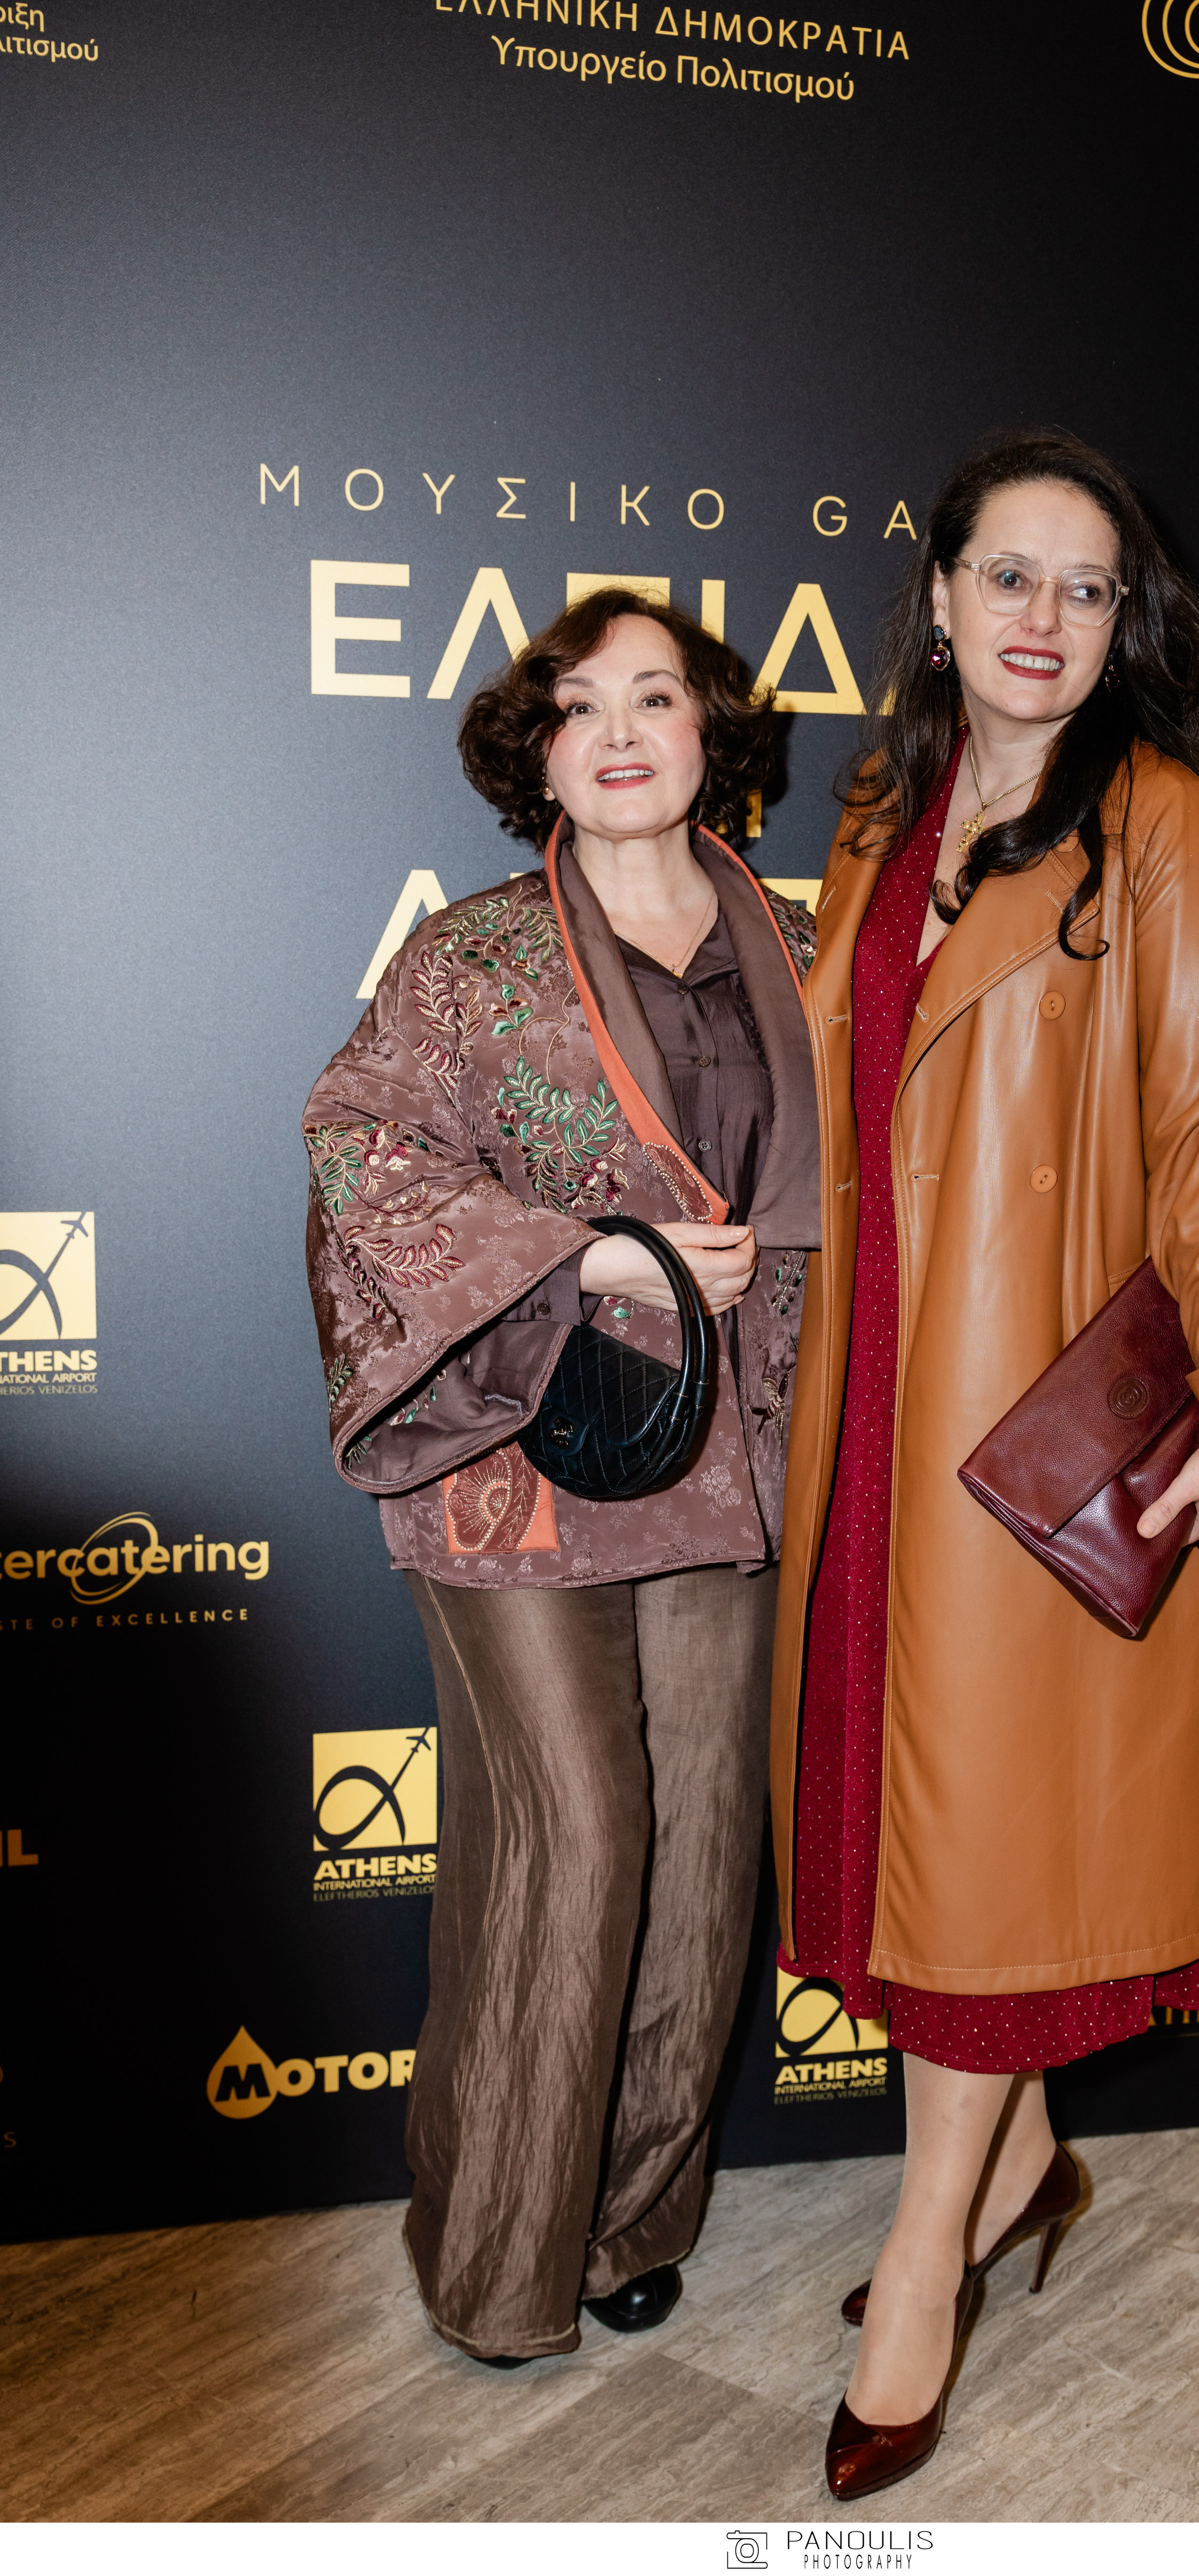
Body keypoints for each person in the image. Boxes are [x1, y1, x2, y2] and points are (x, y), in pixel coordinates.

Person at [770, 429, 1199, 2495]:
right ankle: (1024, 2171)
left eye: (1089, 590)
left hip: (1034, 1413)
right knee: (909, 1844)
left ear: (1124, 625)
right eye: (1011, 575)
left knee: (982, 1877)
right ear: (939, 598)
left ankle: (928, 2260)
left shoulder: (1159, 822)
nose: (1045, 618)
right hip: (877, 1394)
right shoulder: (887, 813)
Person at [303, 590, 818, 2362]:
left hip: (737, 1456)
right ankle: (500, 2258)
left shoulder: (803, 946)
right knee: (576, 1836)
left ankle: (632, 2219)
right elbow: (359, 1149)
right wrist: (591, 1254)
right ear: (538, 751)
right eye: (580, 706)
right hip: (522, 1449)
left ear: (710, 732)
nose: (619, 733)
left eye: (655, 698)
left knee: (705, 1841)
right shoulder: (470, 956)